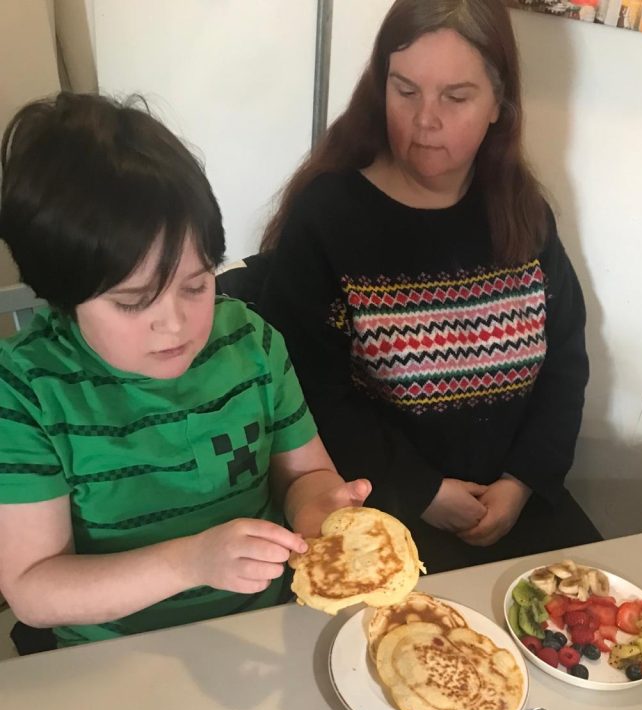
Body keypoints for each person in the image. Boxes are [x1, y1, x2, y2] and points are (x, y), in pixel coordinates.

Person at [0, 93, 370, 648]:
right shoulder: (28, 389)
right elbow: (33, 588)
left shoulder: (250, 340)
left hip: (262, 630)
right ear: (62, 295)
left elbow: (305, 475)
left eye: (196, 285)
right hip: (114, 655)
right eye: (133, 302)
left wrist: (318, 507)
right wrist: (190, 562)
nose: (173, 323)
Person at [258, 0, 600, 574]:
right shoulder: (329, 217)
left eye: (456, 97)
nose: (424, 120)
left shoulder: (523, 212)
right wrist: (422, 491)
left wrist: (521, 482)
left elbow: (565, 360)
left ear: (499, 104)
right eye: (405, 90)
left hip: (515, 506)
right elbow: (302, 390)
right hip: (377, 514)